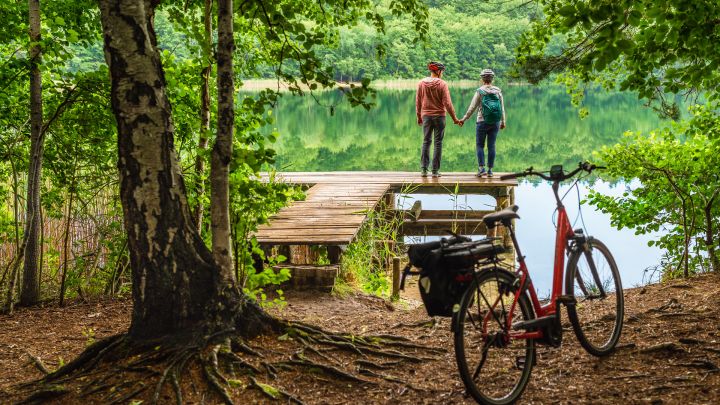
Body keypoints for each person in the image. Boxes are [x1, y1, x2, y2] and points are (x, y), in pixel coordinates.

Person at [415, 61, 461, 177]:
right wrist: (455, 118)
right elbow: (447, 103)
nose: (443, 74)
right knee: (438, 143)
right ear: (438, 71)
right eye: (442, 72)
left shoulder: (421, 83)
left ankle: (424, 170)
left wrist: (418, 116)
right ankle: (435, 171)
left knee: (426, 141)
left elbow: (418, 101)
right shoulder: (442, 84)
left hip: (426, 116)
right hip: (440, 116)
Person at [459, 69, 506, 177]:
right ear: (492, 79)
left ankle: (481, 169)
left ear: (482, 79)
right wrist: (503, 121)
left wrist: (464, 119)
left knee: (480, 145)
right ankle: (490, 171)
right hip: (495, 122)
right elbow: (502, 108)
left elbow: (472, 107)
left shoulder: (480, 91)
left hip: (482, 121)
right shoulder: (498, 91)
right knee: (491, 145)